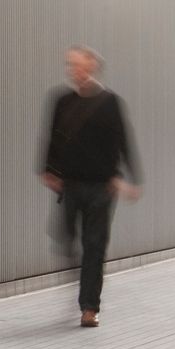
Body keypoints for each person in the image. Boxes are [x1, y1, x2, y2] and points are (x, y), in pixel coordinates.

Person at [41, 45, 142, 329]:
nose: (73, 70)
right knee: (64, 238)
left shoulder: (110, 102)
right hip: (70, 185)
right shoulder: (61, 101)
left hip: (101, 187)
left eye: (78, 65)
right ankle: (83, 283)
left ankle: (89, 307)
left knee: (94, 247)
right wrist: (48, 169)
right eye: (70, 65)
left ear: (92, 67)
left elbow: (124, 141)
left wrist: (132, 178)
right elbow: (53, 137)